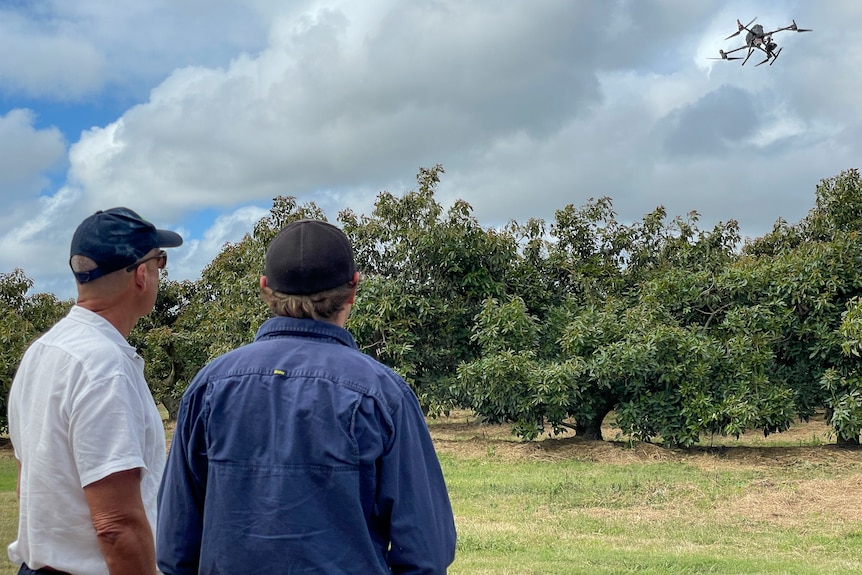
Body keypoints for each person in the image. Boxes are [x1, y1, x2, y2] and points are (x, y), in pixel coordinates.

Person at [157, 219, 457, 574]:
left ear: (265, 287)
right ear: (353, 289)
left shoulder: (209, 387)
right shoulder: (383, 394)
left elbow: (175, 546)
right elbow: (426, 551)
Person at [7, 207, 183, 575]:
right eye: (159, 261)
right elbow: (116, 525)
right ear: (141, 275)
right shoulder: (103, 365)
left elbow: (29, 484)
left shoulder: (41, 352)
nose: (158, 273)